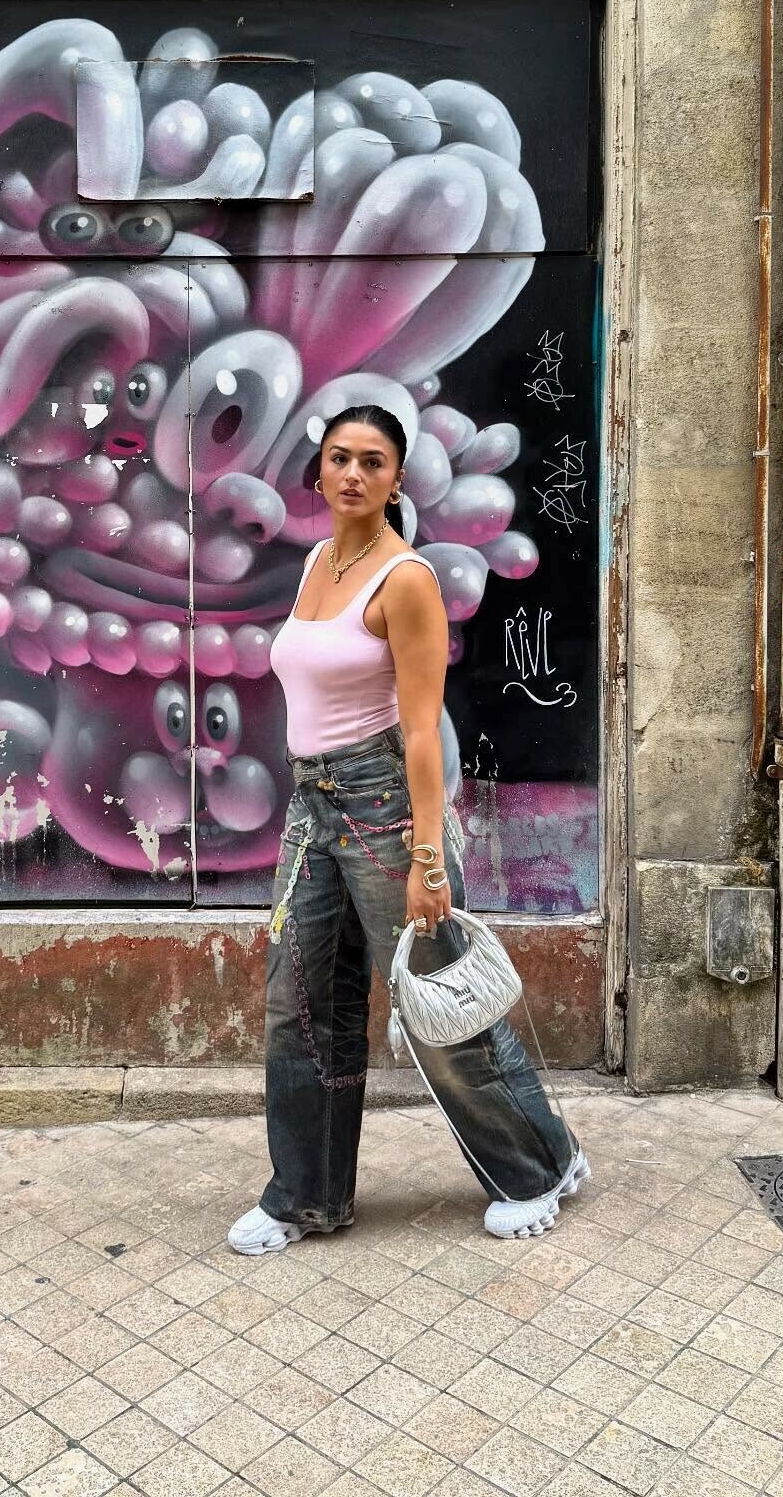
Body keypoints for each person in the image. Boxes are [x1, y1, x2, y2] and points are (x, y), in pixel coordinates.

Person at [228, 403, 588, 1253]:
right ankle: (307, 1196)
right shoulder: (316, 561)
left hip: (384, 806)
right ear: (319, 470)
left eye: (373, 461)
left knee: (440, 1003)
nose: (353, 474)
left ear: (396, 479)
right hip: (311, 805)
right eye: (339, 458)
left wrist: (430, 858)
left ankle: (541, 1163)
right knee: (300, 1004)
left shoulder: (408, 578)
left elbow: (423, 731)